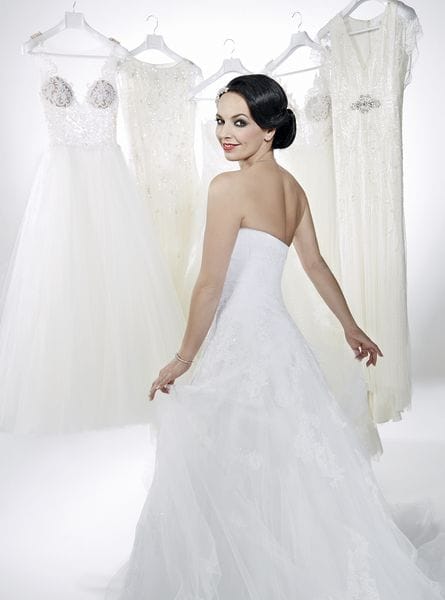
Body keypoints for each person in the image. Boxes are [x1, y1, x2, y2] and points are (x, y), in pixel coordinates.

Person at [106, 75, 443, 599]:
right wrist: (350, 326)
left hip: (241, 340)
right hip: (280, 343)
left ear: (269, 129)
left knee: (226, 453)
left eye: (239, 122)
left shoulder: (229, 188)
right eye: (220, 120)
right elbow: (314, 264)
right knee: (284, 456)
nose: (225, 133)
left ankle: (241, 574)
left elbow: (210, 284)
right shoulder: (292, 189)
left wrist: (183, 358)